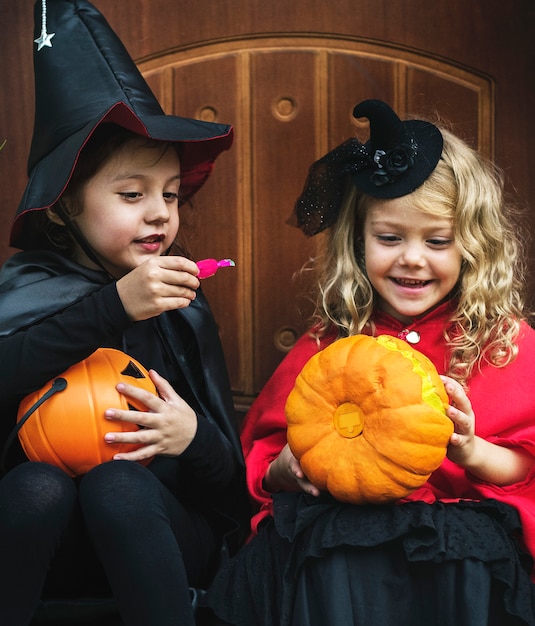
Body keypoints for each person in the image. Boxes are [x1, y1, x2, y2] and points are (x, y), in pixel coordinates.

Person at [204, 98, 535, 625]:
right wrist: (287, 471)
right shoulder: (332, 342)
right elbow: (268, 455)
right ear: (358, 243)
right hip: (347, 534)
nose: (411, 257)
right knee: (331, 546)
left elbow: (525, 465)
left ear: (473, 247)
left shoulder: (501, 343)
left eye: (438, 241)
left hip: (458, 538)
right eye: (389, 238)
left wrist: (471, 451)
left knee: (469, 554)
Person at [0, 1, 248, 625]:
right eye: (132, 194)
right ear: (62, 206)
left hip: (161, 534)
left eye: (170, 194)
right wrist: (112, 307)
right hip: (47, 546)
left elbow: (228, 492)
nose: (161, 213)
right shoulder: (28, 288)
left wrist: (192, 439)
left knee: (119, 484)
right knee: (37, 486)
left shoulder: (180, 307)